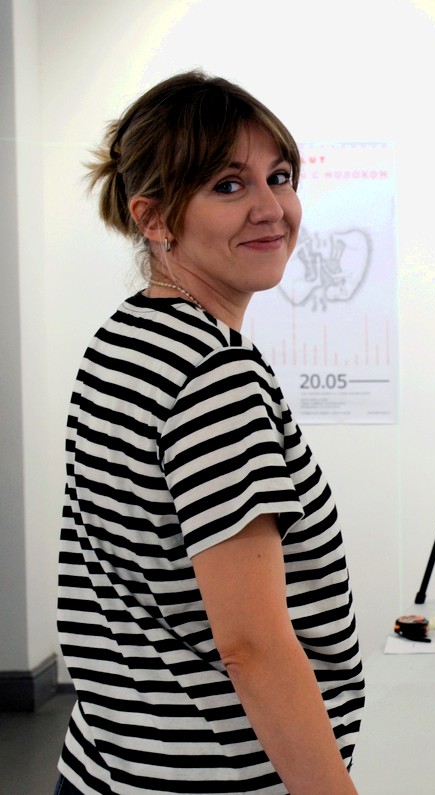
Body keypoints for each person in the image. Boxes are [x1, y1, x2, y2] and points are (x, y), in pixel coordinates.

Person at [55, 71, 365, 794]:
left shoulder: (123, 339)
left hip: (112, 760)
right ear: (155, 217)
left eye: (279, 177)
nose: (271, 209)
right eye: (229, 186)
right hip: (210, 772)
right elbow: (251, 645)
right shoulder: (212, 374)